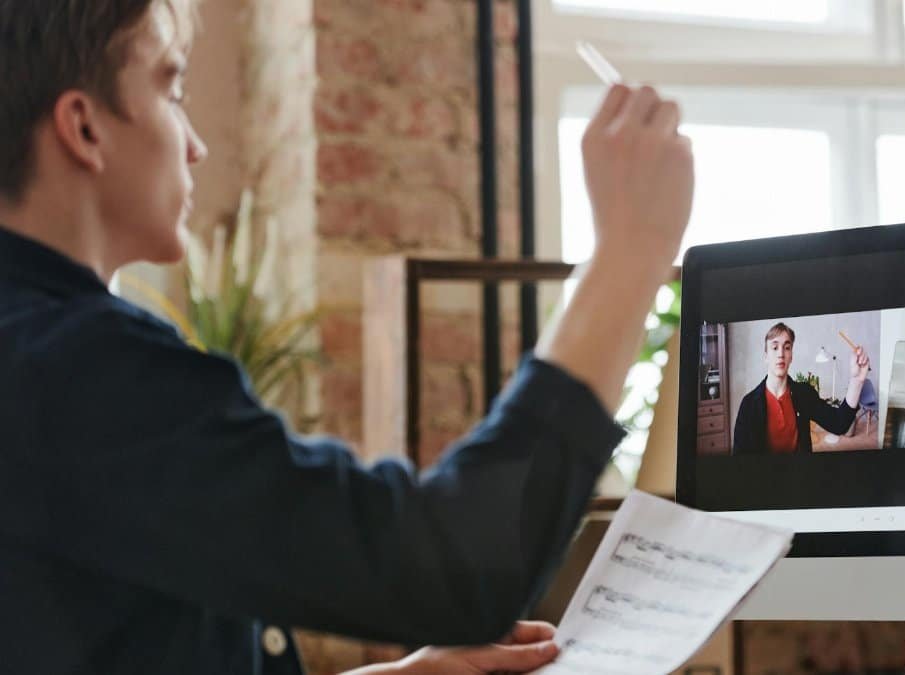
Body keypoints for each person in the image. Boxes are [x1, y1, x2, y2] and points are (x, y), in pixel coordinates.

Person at [0, 1, 695, 673]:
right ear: (83, 127)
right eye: (172, 89)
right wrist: (631, 251)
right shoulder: (86, 372)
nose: (195, 142)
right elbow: (462, 569)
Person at [732, 322, 870, 454]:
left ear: (791, 356)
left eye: (787, 347)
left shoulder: (804, 394)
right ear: (766, 356)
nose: (781, 354)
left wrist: (857, 380)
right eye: (774, 348)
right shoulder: (749, 405)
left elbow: (839, 423)